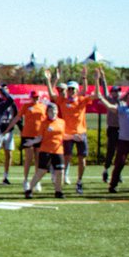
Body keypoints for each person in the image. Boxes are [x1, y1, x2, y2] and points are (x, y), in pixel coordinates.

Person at [95, 69, 129, 195]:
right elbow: (104, 91)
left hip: (123, 131)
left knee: (122, 157)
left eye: (118, 91)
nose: (116, 93)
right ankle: (107, 170)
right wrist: (102, 77)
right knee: (111, 151)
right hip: (113, 129)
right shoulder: (109, 99)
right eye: (114, 91)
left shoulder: (124, 100)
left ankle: (119, 176)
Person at [44, 65, 92, 194]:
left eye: (72, 89)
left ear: (76, 90)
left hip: (81, 133)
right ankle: (62, 177)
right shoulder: (62, 101)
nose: (70, 91)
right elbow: (51, 94)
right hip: (68, 134)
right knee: (66, 158)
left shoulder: (81, 100)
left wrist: (85, 77)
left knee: (82, 159)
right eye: (69, 89)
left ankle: (79, 181)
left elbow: (91, 93)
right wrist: (49, 80)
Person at [24, 103, 66, 199]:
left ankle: (58, 191)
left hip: (58, 151)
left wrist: (74, 137)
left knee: (60, 171)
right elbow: (40, 137)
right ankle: (29, 189)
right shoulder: (44, 123)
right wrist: (32, 142)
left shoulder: (62, 122)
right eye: (51, 110)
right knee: (41, 171)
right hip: (46, 150)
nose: (53, 112)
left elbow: (64, 135)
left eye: (55, 110)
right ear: (47, 112)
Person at [13, 90, 47, 192]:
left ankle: (36, 181)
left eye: (37, 97)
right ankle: (26, 180)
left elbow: (45, 120)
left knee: (37, 159)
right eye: (34, 97)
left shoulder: (43, 106)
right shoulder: (26, 106)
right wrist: (7, 129)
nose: (35, 99)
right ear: (30, 97)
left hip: (39, 135)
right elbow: (17, 117)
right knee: (29, 158)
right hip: (27, 134)